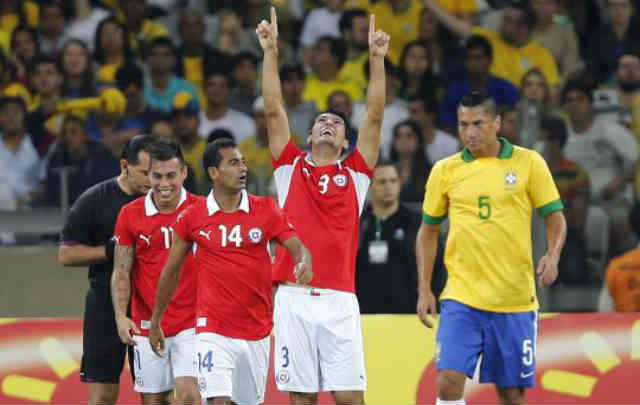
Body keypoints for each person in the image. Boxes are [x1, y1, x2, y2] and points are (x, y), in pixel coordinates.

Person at [258, 7, 388, 404]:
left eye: (337, 123)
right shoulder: (289, 168)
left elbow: (376, 115)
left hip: (339, 299)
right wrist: (270, 51)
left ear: (346, 143)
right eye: (321, 122)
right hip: (293, 298)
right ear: (310, 135)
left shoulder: (357, 176)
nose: (329, 124)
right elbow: (273, 108)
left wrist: (377, 61)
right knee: (302, 398)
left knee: (350, 397)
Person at [416, 90, 567, 405]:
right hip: (462, 297)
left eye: (478, 123)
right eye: (462, 124)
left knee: (511, 395)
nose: (469, 132)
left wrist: (553, 256)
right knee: (447, 381)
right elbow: (428, 231)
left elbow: (555, 217)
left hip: (514, 300)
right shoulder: (445, 170)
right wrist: (424, 286)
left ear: (497, 122)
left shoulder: (528, 162)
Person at [148, 138, 313, 405]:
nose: (243, 168)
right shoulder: (193, 216)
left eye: (244, 162)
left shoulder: (266, 209)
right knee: (218, 401)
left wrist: (303, 261)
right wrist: (156, 321)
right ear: (213, 173)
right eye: (234, 163)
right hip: (212, 327)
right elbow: (170, 272)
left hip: (256, 329)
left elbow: (297, 246)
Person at [57, 134, 154, 404]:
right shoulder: (94, 200)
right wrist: (109, 251)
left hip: (150, 303)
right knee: (103, 395)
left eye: (155, 172)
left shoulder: (162, 200)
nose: (151, 180)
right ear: (125, 165)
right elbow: (66, 254)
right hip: (104, 303)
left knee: (155, 394)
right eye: (144, 173)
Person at [111, 141, 200, 404]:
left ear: (184, 172)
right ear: (148, 176)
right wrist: (120, 316)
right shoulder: (129, 214)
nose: (164, 183)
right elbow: (121, 270)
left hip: (193, 322)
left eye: (171, 175)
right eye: (157, 176)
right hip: (147, 324)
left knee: (189, 395)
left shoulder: (203, 209)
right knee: (153, 401)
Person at [355, 160, 420, 314]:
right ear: (370, 186)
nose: (388, 187)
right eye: (382, 182)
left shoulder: (415, 223)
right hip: (365, 313)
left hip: (408, 313)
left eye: (393, 181)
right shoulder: (359, 223)